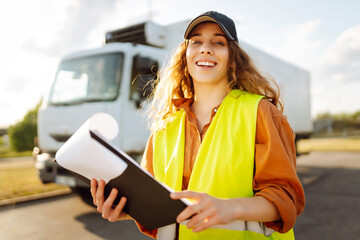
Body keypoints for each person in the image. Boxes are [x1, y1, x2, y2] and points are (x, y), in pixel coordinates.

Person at [90, 11, 305, 240]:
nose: (205, 48)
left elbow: (286, 199)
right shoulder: (165, 126)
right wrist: (126, 209)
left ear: (233, 58)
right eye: (196, 42)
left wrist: (230, 207)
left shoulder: (260, 112)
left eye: (218, 42)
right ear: (185, 55)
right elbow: (155, 202)